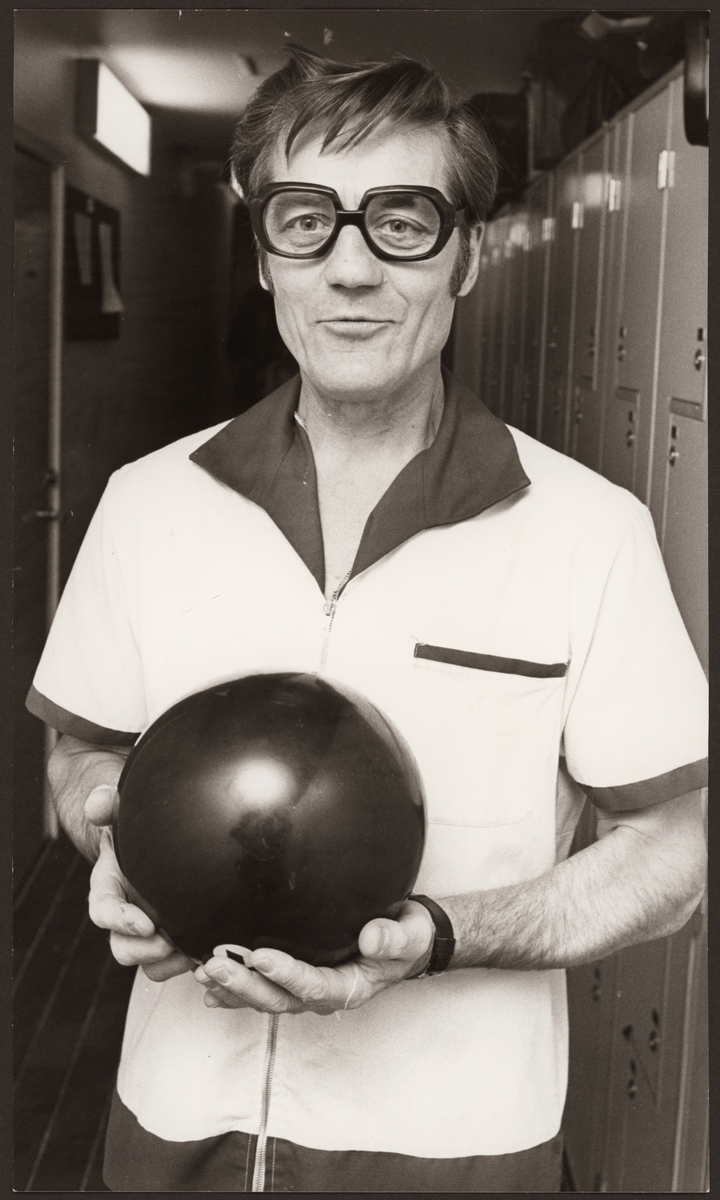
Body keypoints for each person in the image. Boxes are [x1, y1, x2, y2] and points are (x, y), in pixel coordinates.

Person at [28, 47, 707, 1193]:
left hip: (460, 1157)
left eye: (401, 221)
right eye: (305, 222)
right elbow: (80, 747)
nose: (350, 270)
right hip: (172, 1135)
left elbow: (675, 851)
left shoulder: (591, 532)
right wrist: (110, 841)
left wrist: (439, 934)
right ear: (265, 262)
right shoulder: (150, 502)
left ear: (467, 259)